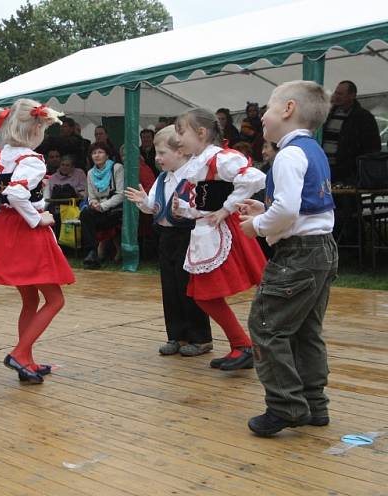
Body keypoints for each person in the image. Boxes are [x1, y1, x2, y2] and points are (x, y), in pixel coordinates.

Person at [239, 80, 337, 436]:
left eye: (267, 107)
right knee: (307, 330)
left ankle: (285, 406)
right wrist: (267, 210)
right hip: (321, 249)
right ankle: (314, 404)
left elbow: (287, 211)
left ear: (288, 109)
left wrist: (258, 225)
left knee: (267, 327)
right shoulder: (314, 152)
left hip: (296, 255)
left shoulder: (288, 155)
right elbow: (303, 208)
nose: (262, 116)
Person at [0, 99, 74, 384]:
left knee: (30, 299)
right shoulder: (31, 160)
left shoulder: (3, 155)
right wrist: (37, 218)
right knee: (55, 299)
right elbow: (16, 194)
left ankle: (27, 361)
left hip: (8, 228)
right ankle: (20, 354)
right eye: (43, 127)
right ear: (35, 129)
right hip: (26, 232)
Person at [172, 108, 267, 370]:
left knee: (209, 294)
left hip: (225, 232)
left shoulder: (222, 158)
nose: (178, 139)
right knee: (203, 295)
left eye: (182, 132)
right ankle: (242, 344)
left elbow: (253, 178)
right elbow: (205, 203)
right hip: (206, 233)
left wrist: (227, 209)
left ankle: (249, 345)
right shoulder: (199, 162)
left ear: (201, 133)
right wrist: (188, 210)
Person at [125, 125, 212, 357]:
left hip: (188, 236)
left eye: (162, 152)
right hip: (166, 237)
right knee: (170, 287)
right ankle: (177, 335)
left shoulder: (193, 177)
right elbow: (154, 206)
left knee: (189, 287)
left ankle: (200, 337)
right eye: (156, 152)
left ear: (181, 151)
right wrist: (144, 201)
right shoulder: (162, 179)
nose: (157, 158)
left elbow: (203, 207)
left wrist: (185, 208)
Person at [322, 80, 381, 185]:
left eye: (340, 94)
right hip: (327, 170)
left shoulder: (363, 117)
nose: (336, 96)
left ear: (352, 96)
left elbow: (372, 149)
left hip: (349, 174)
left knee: (346, 200)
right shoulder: (329, 114)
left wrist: (356, 168)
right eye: (336, 93)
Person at [81, 142, 124, 269]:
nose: (96, 155)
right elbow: (91, 196)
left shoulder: (117, 168)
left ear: (107, 155)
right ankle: (92, 253)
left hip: (115, 208)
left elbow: (121, 194)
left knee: (90, 219)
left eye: (100, 152)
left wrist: (103, 206)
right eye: (94, 153)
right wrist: (93, 203)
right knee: (85, 214)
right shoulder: (90, 173)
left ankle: (94, 253)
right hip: (98, 208)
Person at [46, 154, 87, 236]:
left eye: (67, 165)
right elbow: (47, 196)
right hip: (56, 206)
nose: (64, 167)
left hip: (74, 204)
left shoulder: (79, 173)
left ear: (73, 167)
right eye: (62, 165)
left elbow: (84, 192)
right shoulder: (52, 178)